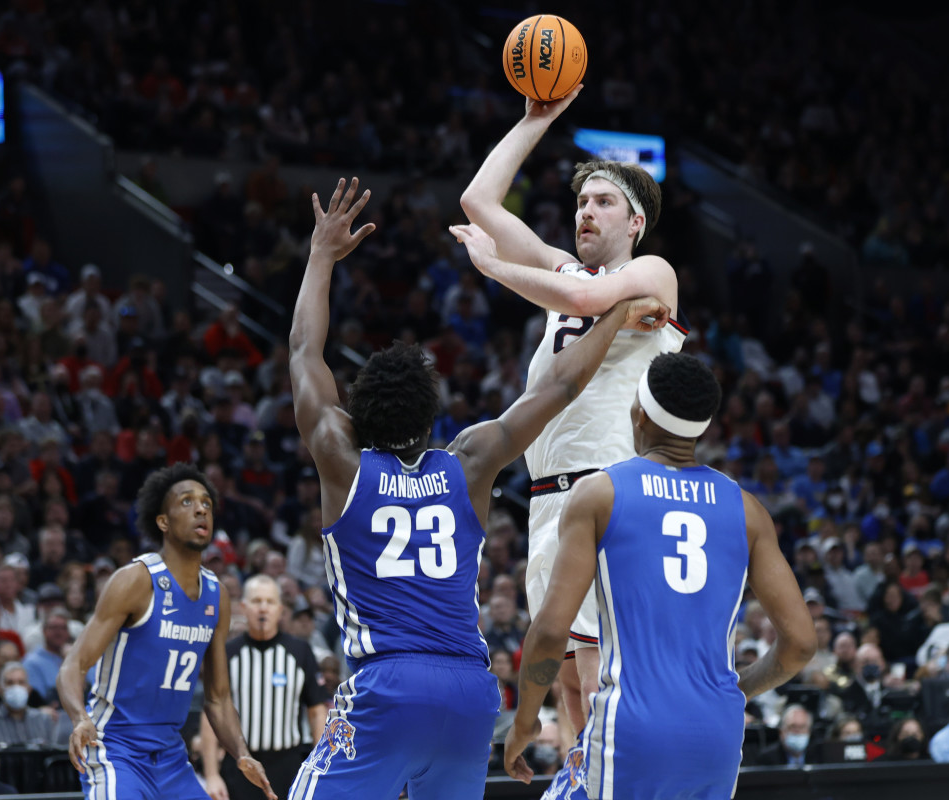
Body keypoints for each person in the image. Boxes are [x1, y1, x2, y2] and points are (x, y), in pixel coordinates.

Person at [288, 177, 665, 800]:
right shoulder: (467, 463)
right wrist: (617, 315)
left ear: (356, 416)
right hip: (470, 691)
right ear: (432, 414)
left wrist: (320, 256)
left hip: (388, 681)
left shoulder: (341, 459)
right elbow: (556, 390)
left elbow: (305, 351)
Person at [458, 86, 686, 741]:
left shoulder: (653, 273)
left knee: (599, 674)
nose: (586, 211)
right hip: (547, 498)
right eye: (581, 201)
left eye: (603, 202)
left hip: (608, 487)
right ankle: (584, 782)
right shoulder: (568, 271)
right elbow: (478, 202)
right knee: (564, 683)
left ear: (634, 220)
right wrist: (537, 120)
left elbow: (575, 299)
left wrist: (492, 266)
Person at [503, 353, 816, 797]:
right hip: (716, 733)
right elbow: (801, 643)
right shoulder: (747, 510)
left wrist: (525, 723)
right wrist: (735, 687)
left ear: (638, 413)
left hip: (633, 728)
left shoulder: (600, 494)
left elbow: (552, 631)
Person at [55, 464, 273, 800]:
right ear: (163, 522)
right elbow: (74, 665)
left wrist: (242, 753)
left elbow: (217, 697)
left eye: (206, 504)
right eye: (186, 501)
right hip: (116, 749)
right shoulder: (135, 581)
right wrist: (79, 718)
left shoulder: (218, 595)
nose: (200, 508)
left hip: (171, 758)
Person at [200, 576, 326, 800]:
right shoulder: (227, 654)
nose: (263, 608)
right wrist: (211, 774)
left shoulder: (300, 651)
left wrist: (318, 769)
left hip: (289, 765)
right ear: (244, 607)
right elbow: (211, 714)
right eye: (257, 601)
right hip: (240, 766)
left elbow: (317, 712)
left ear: (280, 609)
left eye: (269, 602)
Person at [0, 662, 55, 747]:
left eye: (21, 682)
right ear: (0, 689)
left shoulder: (43, 721)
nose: (16, 687)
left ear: (29, 689)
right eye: (10, 683)